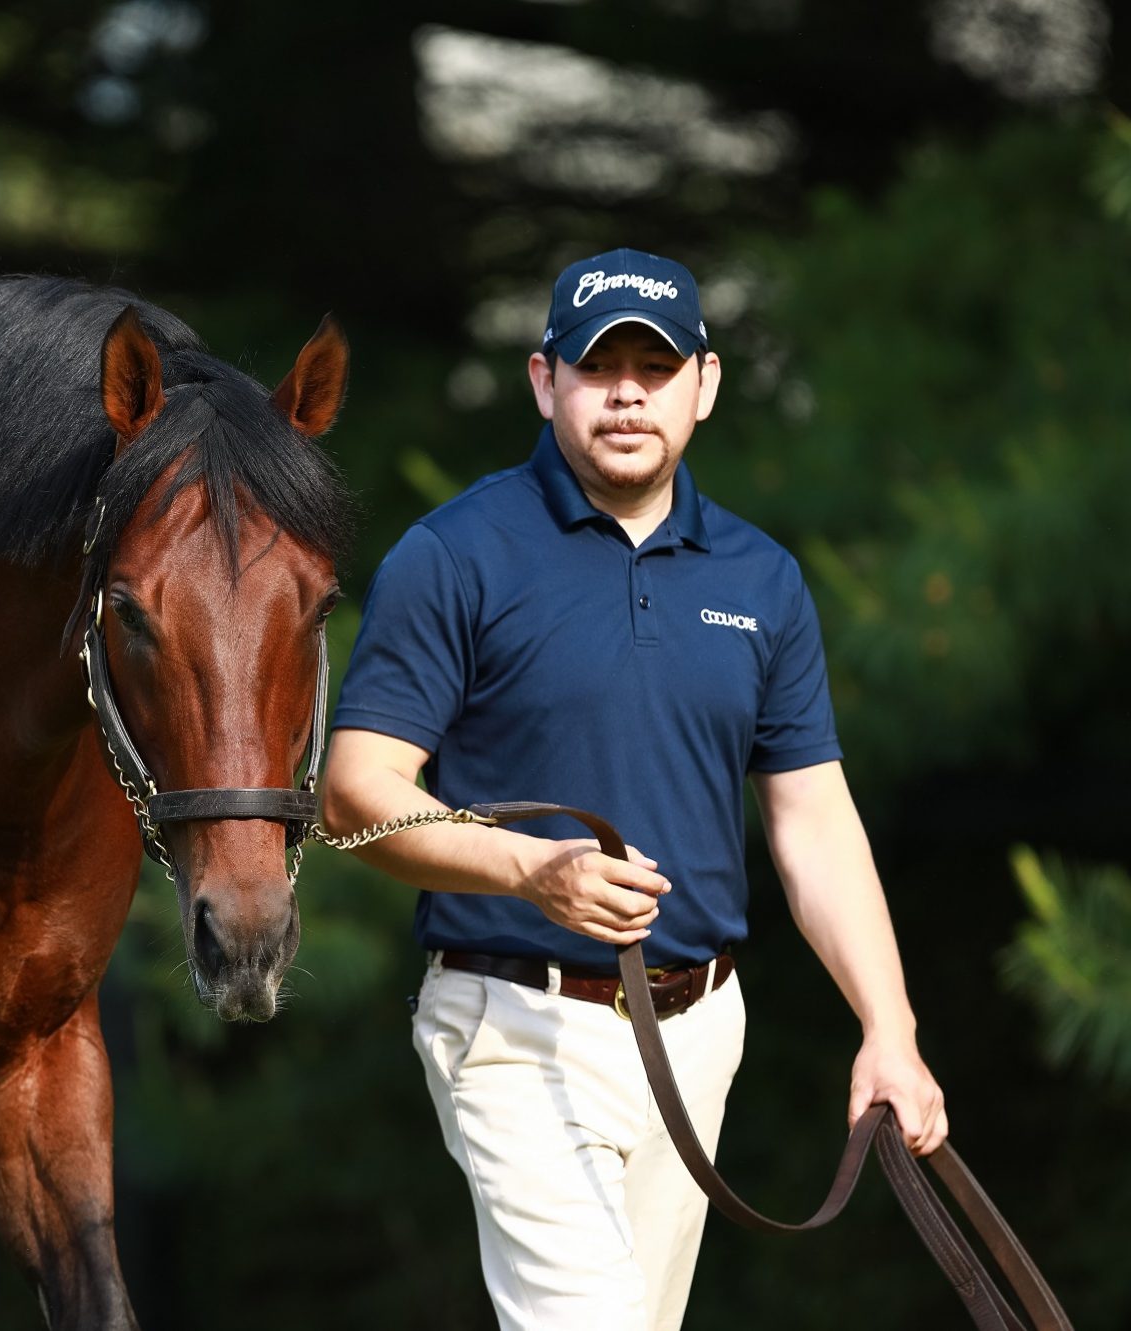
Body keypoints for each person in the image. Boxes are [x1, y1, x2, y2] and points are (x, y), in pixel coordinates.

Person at [319, 248, 946, 1331]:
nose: (625, 392)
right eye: (596, 364)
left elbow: (814, 824)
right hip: (514, 1019)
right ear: (542, 380)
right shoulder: (456, 553)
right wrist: (533, 870)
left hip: (701, 1031)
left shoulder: (763, 580)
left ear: (702, 385)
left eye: (652, 368)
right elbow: (355, 789)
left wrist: (889, 1027)